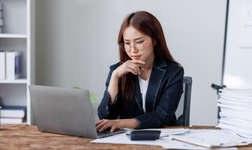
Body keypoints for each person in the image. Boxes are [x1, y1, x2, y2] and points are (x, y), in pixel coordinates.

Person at [95, 11, 184, 132]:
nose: (133, 50)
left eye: (139, 42)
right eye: (127, 43)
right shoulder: (117, 71)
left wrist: (121, 123)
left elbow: (161, 116)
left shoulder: (173, 72)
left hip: (164, 136)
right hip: (127, 139)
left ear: (155, 40)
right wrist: (115, 77)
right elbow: (105, 117)